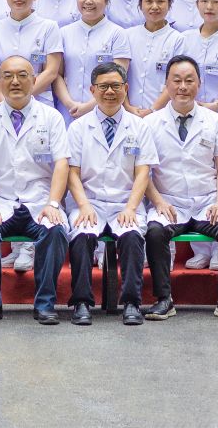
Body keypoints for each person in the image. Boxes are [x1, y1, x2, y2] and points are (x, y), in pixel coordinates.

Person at [141, 55, 218, 321]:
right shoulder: (150, 124)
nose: (183, 87)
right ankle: (163, 299)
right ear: (166, 84)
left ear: (199, 84)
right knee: (155, 232)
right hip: (169, 201)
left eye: (189, 81)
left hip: (207, 202)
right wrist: (159, 202)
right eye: (176, 81)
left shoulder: (215, 121)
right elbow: (143, 172)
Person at [0, 54, 71, 324]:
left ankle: (45, 303)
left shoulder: (51, 117)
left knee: (55, 231)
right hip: (0, 200)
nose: (15, 81)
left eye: (22, 75)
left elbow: (62, 163)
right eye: (8, 76)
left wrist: (53, 203)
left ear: (34, 80)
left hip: (40, 200)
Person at [62, 62, 158, 326]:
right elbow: (72, 173)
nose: (110, 92)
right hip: (88, 200)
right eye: (103, 86)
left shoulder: (139, 126)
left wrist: (130, 208)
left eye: (116, 86)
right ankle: (82, 302)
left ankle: (132, 303)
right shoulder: (78, 127)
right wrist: (83, 206)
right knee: (82, 235)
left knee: (131, 236)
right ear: (92, 90)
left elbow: (143, 172)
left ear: (126, 88)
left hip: (125, 201)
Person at [0, 0, 64, 109]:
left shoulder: (49, 27)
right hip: (1, 105)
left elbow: (51, 72)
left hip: (40, 105)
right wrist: (6, 102)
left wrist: (21, 99)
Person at [56, 0, 128, 119]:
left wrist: (88, 107)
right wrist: (69, 104)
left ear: (107, 0)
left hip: (104, 110)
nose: (88, 1)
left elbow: (119, 77)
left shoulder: (117, 33)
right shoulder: (63, 32)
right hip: (68, 111)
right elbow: (57, 74)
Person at [123, 0, 182, 112]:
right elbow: (119, 75)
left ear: (169, 4)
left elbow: (176, 80)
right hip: (129, 112)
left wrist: (152, 110)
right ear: (140, 4)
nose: (154, 6)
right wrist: (127, 106)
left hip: (163, 113)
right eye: (149, 1)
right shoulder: (127, 35)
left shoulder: (178, 40)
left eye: (160, 1)